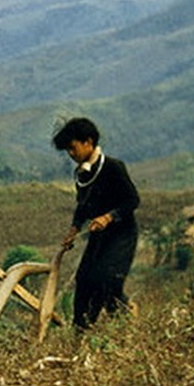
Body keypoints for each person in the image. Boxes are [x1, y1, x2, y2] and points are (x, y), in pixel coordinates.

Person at [53, 117, 140, 330]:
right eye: (68, 151)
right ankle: (81, 329)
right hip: (99, 235)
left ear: (88, 142)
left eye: (73, 148)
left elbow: (132, 200)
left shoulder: (113, 167)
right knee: (84, 279)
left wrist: (108, 217)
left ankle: (126, 312)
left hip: (122, 234)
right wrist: (74, 229)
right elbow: (82, 206)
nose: (71, 154)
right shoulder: (82, 173)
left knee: (107, 279)